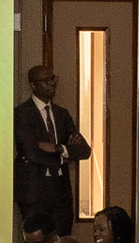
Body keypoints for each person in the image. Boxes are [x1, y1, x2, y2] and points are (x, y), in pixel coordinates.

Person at [12, 65, 90, 232]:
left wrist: (58, 148)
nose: (52, 83)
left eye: (53, 78)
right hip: (34, 192)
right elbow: (32, 153)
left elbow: (84, 150)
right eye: (46, 80)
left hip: (60, 190)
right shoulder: (21, 114)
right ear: (33, 85)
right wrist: (65, 156)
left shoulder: (62, 114)